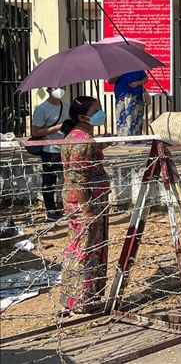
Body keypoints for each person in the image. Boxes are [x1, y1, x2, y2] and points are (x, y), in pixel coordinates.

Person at [59, 96, 113, 313]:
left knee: (87, 247)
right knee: (85, 249)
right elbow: (78, 177)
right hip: (85, 203)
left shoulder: (80, 137)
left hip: (87, 201)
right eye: (97, 110)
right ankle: (81, 301)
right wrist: (88, 211)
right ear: (83, 117)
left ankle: (85, 298)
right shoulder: (82, 141)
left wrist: (103, 144)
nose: (101, 113)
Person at [30, 87, 69, 221]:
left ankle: (68, 208)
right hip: (49, 150)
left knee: (69, 178)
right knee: (49, 181)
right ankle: (51, 211)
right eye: (56, 87)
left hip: (64, 148)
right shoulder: (42, 109)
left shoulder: (65, 106)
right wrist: (58, 127)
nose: (60, 90)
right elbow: (35, 132)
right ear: (48, 90)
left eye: (63, 87)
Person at [108, 70, 147, 136]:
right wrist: (118, 74)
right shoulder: (116, 68)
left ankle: (135, 137)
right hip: (121, 96)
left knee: (134, 117)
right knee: (121, 118)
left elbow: (145, 79)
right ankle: (122, 138)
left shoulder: (137, 67)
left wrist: (138, 83)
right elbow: (110, 82)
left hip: (135, 95)